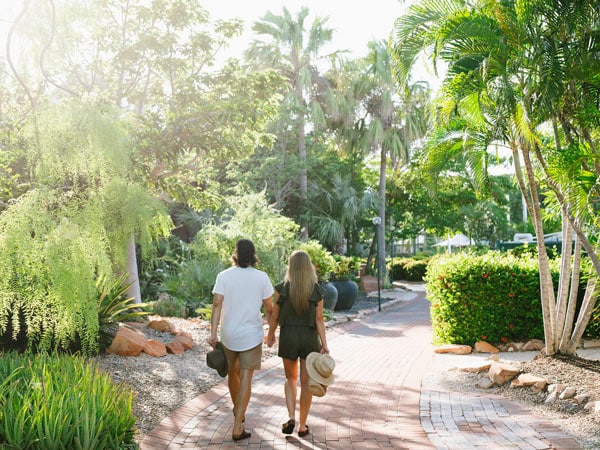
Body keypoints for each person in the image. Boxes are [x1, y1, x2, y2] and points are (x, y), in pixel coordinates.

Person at [210, 239, 274, 442]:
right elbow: (270, 308)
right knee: (246, 376)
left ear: (235, 254)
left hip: (229, 334)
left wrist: (213, 333)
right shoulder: (262, 277)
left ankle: (239, 410)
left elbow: (216, 305)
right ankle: (238, 424)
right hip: (251, 335)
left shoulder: (224, 276)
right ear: (254, 255)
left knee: (232, 373)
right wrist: (271, 330)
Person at [265, 250, 330, 438]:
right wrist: (324, 344)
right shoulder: (316, 289)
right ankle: (302, 426)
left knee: (290, 378)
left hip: (289, 336)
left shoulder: (282, 288)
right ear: (308, 266)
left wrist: (270, 335)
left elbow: (275, 316)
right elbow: (319, 319)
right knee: (306, 382)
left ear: (291, 267)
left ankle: (291, 417)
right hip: (309, 338)